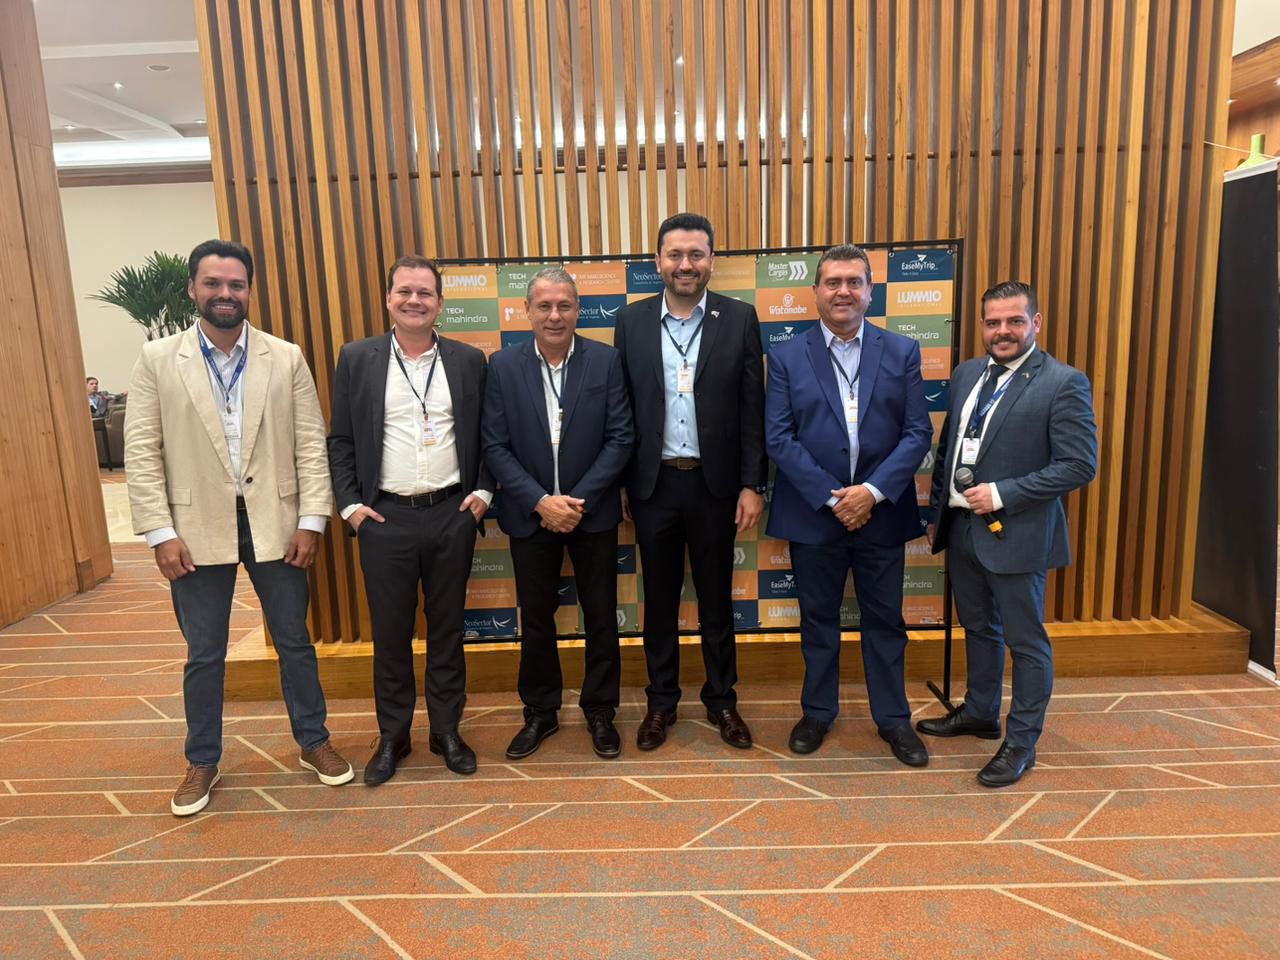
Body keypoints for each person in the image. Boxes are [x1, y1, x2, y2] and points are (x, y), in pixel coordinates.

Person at [125, 239, 352, 817]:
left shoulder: (286, 357)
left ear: (249, 290)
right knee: (204, 651)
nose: (225, 293)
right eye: (213, 283)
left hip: (275, 522)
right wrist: (159, 532)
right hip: (194, 528)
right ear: (193, 289)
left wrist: (311, 520)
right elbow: (143, 451)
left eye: (236, 284)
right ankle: (202, 758)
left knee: (294, 641)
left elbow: (310, 443)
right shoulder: (158, 359)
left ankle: (314, 741)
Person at [916, 280, 1096, 787]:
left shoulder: (1063, 382)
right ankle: (980, 711)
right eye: (993, 322)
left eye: (1015, 321)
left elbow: (1079, 465)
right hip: (962, 529)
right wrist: (938, 512)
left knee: (1026, 642)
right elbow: (952, 447)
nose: (1003, 331)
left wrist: (1004, 493)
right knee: (979, 628)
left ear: (1035, 323)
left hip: (1017, 533)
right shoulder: (967, 373)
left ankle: (1021, 742)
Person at [764, 243, 933, 764]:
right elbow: (779, 437)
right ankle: (818, 712)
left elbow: (917, 432)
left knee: (886, 622)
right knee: (818, 621)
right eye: (833, 282)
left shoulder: (901, 350)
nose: (843, 291)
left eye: (853, 282)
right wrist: (832, 497)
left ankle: (894, 720)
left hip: (882, 512)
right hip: (815, 514)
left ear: (869, 291)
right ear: (815, 291)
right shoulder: (786, 356)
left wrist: (870, 493)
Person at [328, 254, 492, 784]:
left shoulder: (469, 361)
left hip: (451, 514)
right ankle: (393, 736)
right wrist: (351, 507)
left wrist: (483, 493)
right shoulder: (357, 358)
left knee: (448, 631)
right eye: (405, 291)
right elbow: (341, 439)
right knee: (391, 635)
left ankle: (446, 732)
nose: (414, 300)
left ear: (440, 304)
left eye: (425, 293)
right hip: (384, 519)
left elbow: (490, 433)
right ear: (388, 299)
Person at [614, 212, 768, 752]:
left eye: (696, 254)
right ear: (658, 261)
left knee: (716, 601)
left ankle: (722, 700)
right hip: (653, 487)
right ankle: (661, 703)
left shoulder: (739, 317)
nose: (686, 264)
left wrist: (752, 484)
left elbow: (753, 407)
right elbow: (622, 409)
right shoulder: (630, 321)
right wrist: (623, 483)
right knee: (658, 602)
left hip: (715, 487)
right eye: (675, 254)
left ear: (711, 261)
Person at [482, 267, 634, 759]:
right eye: (544, 306)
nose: (554, 315)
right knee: (537, 617)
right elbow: (494, 445)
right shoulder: (502, 366)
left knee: (600, 614)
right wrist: (540, 501)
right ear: (526, 310)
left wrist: (575, 501)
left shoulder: (606, 361)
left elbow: (621, 438)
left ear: (578, 310)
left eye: (564, 305)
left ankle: (601, 710)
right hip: (531, 514)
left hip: (591, 512)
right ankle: (540, 712)